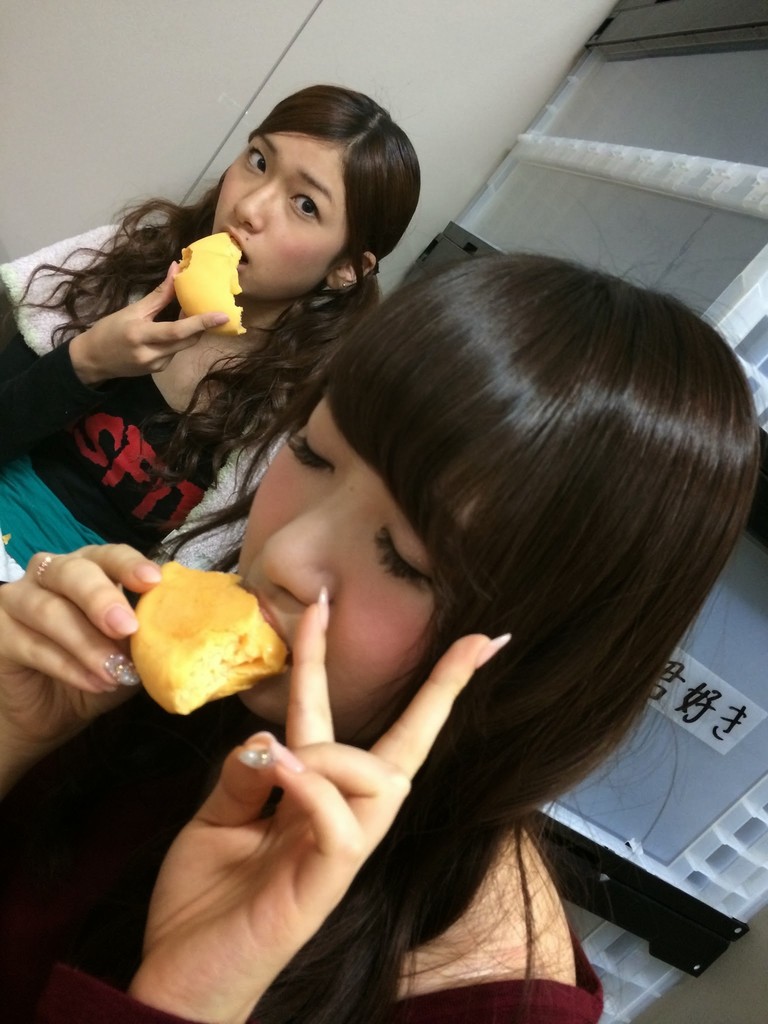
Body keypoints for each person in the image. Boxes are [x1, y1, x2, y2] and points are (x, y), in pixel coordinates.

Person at [0, 253, 759, 1024]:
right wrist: (12, 733)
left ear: (547, 660)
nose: (284, 557)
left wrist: (184, 1002)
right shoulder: (175, 692)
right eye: (310, 453)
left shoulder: (492, 1004)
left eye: (407, 559)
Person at [0, 84, 420, 581]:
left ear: (347, 269)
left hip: (90, 607)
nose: (250, 207)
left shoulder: (304, 416)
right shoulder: (128, 264)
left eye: (305, 205)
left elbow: (216, 593)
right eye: (259, 161)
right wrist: (86, 361)